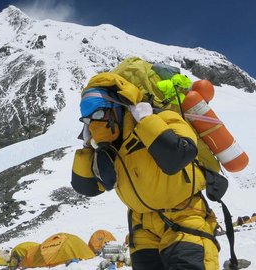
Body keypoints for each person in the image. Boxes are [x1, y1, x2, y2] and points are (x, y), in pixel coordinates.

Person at [71, 72, 220, 270]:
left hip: (185, 218)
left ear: (117, 106)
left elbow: (179, 155)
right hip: (142, 231)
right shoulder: (108, 149)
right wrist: (88, 147)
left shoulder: (164, 118)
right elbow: (87, 187)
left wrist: (146, 121)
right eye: (88, 118)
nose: (94, 122)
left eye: (98, 113)